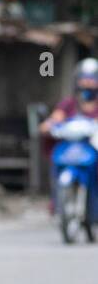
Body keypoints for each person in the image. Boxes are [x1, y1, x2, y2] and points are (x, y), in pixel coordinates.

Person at [38, 58, 98, 215]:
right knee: (57, 160)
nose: (87, 83)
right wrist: (48, 125)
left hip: (91, 147)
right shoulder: (69, 103)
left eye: (92, 79)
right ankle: (56, 200)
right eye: (84, 78)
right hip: (72, 147)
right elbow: (55, 119)